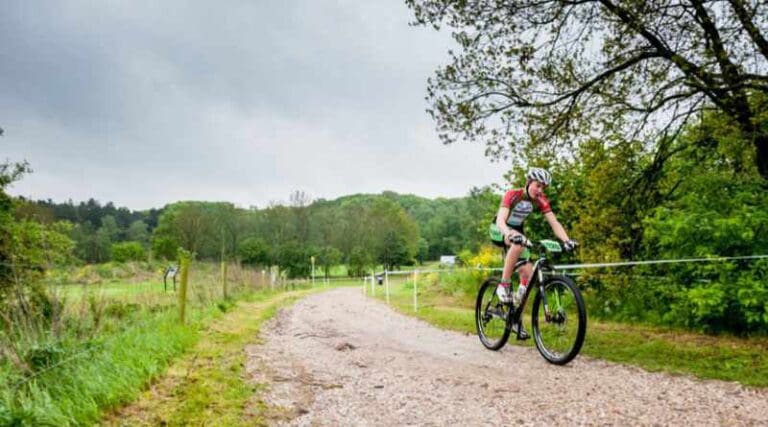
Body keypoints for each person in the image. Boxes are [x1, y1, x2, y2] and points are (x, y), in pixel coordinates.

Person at [491, 167, 577, 338]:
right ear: (529, 182)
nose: (540, 190)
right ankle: (504, 284)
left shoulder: (541, 200)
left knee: (528, 276)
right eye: (538, 185)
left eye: (543, 187)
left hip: (518, 232)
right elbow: (501, 219)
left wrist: (567, 241)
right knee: (517, 243)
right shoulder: (513, 194)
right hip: (499, 229)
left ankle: (515, 318)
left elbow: (554, 223)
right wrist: (508, 233)